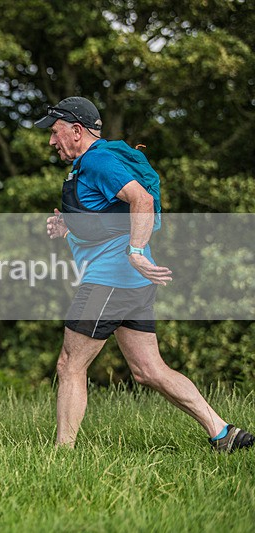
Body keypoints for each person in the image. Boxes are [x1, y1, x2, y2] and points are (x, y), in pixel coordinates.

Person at [36, 96, 253, 452]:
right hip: (130, 283)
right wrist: (68, 227)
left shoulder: (99, 161)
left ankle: (62, 455)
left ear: (76, 131)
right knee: (148, 370)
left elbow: (142, 200)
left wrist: (135, 251)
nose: (51, 141)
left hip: (111, 279)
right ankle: (223, 433)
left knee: (70, 363)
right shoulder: (91, 164)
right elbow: (108, 219)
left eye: (56, 132)